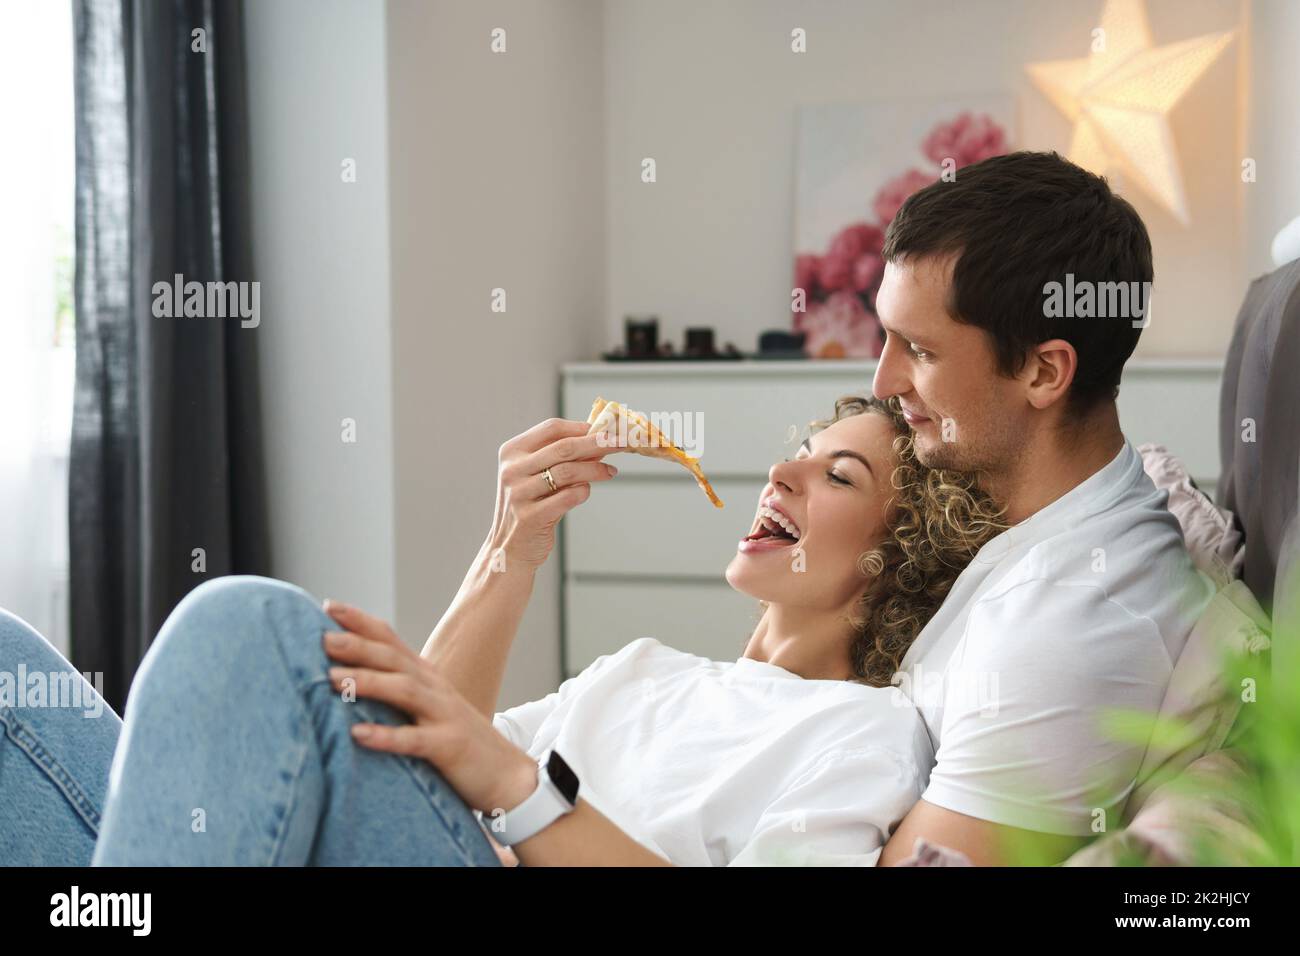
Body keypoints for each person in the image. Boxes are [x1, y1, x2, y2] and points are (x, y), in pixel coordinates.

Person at [1, 397, 1004, 866]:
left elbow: (479, 773)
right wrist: (508, 547)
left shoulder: (865, 730)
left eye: (838, 475)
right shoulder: (643, 671)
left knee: (250, 621)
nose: (781, 474)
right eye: (798, 453)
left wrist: (521, 788)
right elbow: (402, 758)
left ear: (897, 556)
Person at [869, 150, 1216, 865]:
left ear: (1043, 370)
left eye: (919, 350)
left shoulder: (1068, 631)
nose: (883, 380)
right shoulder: (1048, 514)